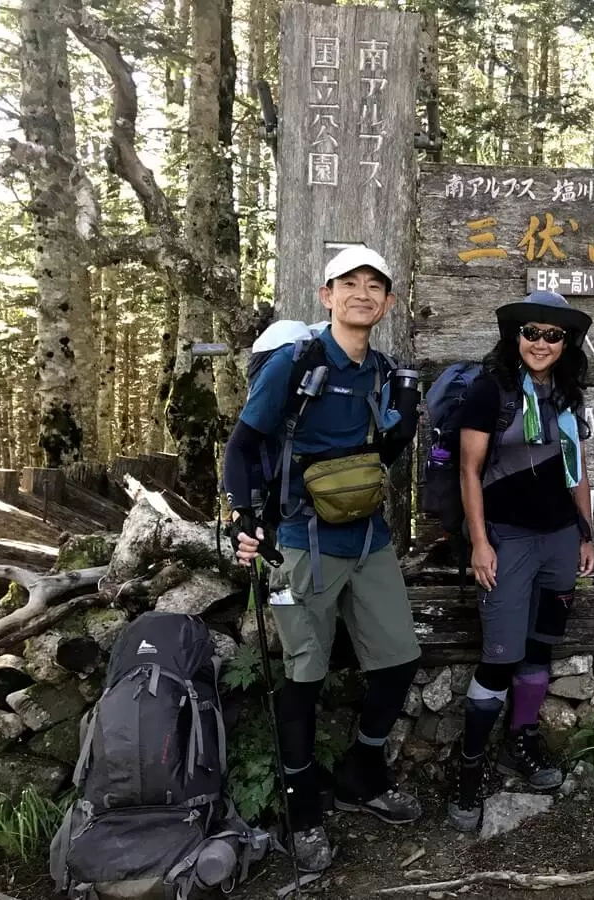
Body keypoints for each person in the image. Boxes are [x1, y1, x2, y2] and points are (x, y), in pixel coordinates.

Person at [223, 246, 422, 872]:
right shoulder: (297, 361)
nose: (362, 294)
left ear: (388, 304)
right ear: (326, 295)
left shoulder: (382, 369)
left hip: (368, 539)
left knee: (398, 660)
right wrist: (244, 518)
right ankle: (302, 805)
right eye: (349, 283)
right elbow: (244, 444)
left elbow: (376, 456)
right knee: (304, 676)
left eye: (375, 286)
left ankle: (363, 770)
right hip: (302, 543)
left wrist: (405, 422)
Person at [445, 291, 594, 832]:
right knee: (499, 657)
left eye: (552, 335)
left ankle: (522, 743)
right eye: (531, 333)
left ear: (566, 343)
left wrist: (585, 533)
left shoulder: (569, 396)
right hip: (506, 541)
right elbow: (469, 471)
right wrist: (479, 543)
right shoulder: (491, 391)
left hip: (559, 539)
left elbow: (576, 470)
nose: (540, 343)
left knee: (540, 648)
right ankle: (468, 772)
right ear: (516, 337)